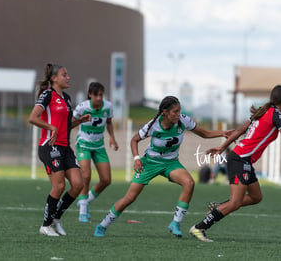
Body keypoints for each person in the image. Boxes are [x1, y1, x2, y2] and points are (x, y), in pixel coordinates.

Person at [189, 85, 281, 242]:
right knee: (235, 203)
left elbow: (240, 130)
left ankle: (218, 208)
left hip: (241, 159)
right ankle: (199, 228)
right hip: (240, 160)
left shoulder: (262, 111)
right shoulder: (277, 116)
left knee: (256, 197)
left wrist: (222, 147)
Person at [94, 96, 233, 238]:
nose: (178, 114)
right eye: (175, 112)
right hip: (150, 163)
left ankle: (175, 223)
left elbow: (204, 133)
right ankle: (102, 225)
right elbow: (134, 140)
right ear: (165, 112)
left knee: (189, 183)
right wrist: (136, 158)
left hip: (171, 163)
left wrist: (221, 133)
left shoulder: (183, 120)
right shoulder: (153, 125)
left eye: (180, 111)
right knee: (129, 197)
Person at [29, 63, 90, 237]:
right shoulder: (47, 95)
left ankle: (56, 217)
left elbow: (66, 125)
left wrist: (80, 121)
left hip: (65, 147)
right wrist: (51, 128)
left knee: (79, 183)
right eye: (64, 75)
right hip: (49, 146)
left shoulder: (68, 98)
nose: (68, 77)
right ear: (54, 78)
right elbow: (32, 118)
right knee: (60, 185)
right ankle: (45, 226)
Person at [72, 82, 119, 223]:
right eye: (96, 95)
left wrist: (112, 137)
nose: (99, 98)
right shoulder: (82, 107)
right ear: (90, 95)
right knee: (86, 176)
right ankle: (83, 211)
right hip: (83, 144)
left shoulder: (108, 107)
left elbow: (109, 122)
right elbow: (72, 121)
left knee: (106, 180)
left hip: (99, 146)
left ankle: (85, 200)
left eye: (101, 95)